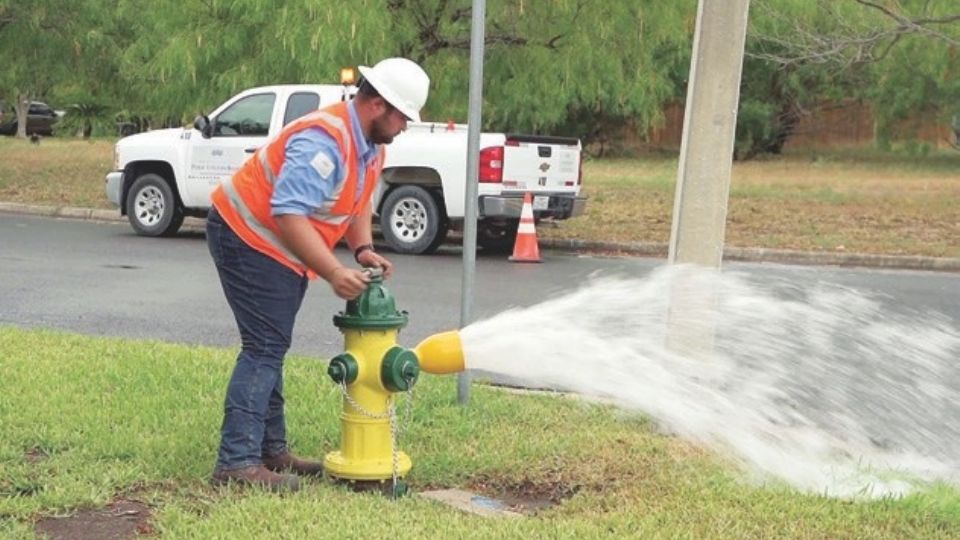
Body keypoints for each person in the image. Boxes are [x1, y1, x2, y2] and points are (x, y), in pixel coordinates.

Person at [206, 57, 430, 492]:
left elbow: (357, 202)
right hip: (247, 236)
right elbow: (289, 213)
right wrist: (331, 270)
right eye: (404, 116)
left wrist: (362, 249)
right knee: (264, 346)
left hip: (277, 246)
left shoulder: (369, 145)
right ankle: (235, 464)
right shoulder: (324, 142)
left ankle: (271, 451)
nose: (405, 126)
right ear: (378, 105)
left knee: (271, 343)